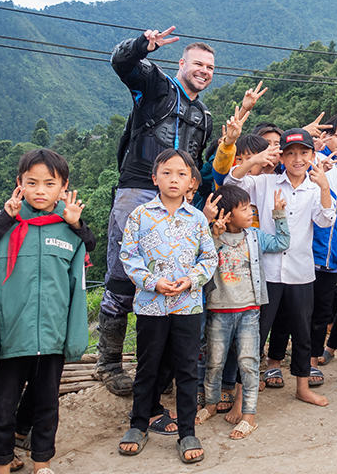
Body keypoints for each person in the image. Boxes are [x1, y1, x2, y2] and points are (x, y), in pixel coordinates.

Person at [99, 26, 266, 396]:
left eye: (209, 67)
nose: (204, 71)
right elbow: (121, 62)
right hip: (138, 190)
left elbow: (202, 168)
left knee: (173, 278)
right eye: (197, 64)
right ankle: (109, 363)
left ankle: (160, 366)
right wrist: (143, 44)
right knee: (122, 277)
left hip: (182, 202)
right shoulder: (157, 87)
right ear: (181, 63)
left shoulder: (203, 116)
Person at [0, 149, 89, 474]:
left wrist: (77, 223)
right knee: (1, 407)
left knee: (47, 406)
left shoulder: (68, 231)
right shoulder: (4, 228)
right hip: (9, 338)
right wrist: (5, 217)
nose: (40, 190)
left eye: (49, 183)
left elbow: (77, 287)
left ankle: (42, 465)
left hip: (51, 339)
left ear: (63, 188)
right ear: (19, 184)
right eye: (32, 183)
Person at [117, 149, 218, 464]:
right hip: (150, 306)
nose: (174, 179)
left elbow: (209, 257)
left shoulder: (198, 218)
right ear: (154, 178)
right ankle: (138, 423)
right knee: (148, 366)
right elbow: (128, 257)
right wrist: (152, 283)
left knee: (187, 369)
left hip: (188, 305)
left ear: (190, 182)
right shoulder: (140, 216)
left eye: (181, 174)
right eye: (167, 173)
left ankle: (187, 431)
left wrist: (191, 280)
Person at [227, 129, 335, 407]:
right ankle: (241, 395)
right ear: (281, 157)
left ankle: (302, 387)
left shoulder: (315, 187)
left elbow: (325, 221)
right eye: (290, 153)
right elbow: (232, 183)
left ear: (312, 155)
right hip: (267, 271)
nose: (297, 159)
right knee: (256, 334)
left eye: (303, 153)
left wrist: (324, 187)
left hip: (301, 272)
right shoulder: (265, 183)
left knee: (303, 333)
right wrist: (255, 160)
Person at [197, 184, 289, 439]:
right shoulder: (210, 236)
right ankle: (211, 404)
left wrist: (279, 215)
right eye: (244, 208)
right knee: (214, 363)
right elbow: (198, 260)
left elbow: (282, 241)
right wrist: (213, 236)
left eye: (250, 207)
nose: (250, 212)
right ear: (227, 214)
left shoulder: (255, 236)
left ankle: (249, 416)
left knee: (248, 364)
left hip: (250, 309)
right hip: (219, 309)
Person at [308, 117, 337, 387]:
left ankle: (312, 362)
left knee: (321, 312)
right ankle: (277, 362)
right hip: (305, 252)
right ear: (326, 136)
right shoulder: (312, 161)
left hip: (331, 256)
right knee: (296, 311)